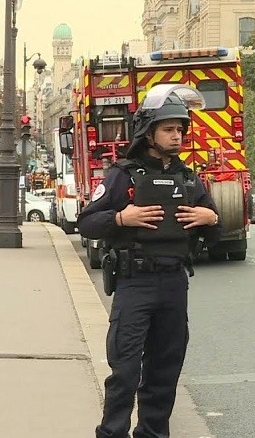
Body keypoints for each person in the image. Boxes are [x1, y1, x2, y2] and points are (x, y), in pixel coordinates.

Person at [77, 84, 222, 438]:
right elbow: (87, 221)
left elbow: (214, 228)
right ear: (149, 132)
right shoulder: (123, 175)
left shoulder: (188, 178)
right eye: (169, 130)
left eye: (180, 130)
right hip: (135, 281)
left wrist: (211, 219)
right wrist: (121, 219)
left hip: (174, 283)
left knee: (164, 371)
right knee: (125, 370)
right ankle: (112, 433)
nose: (177, 137)